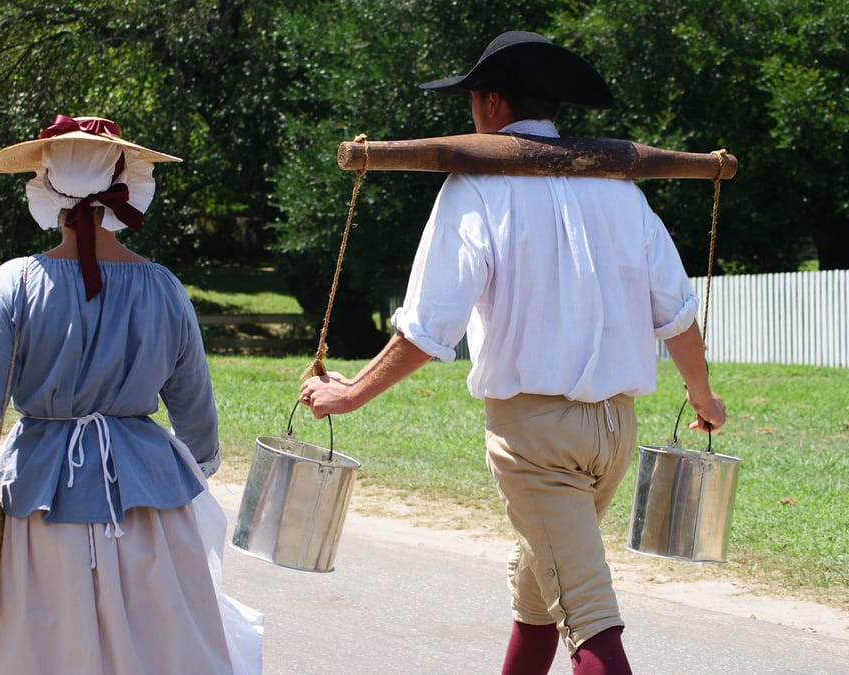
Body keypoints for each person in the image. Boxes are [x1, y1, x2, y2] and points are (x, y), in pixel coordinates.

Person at [300, 31, 726, 675]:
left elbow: (428, 326)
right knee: (537, 596)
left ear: (493, 104)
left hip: (535, 441)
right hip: (614, 433)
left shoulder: (475, 187)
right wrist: (702, 396)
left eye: (473, 98)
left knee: (588, 617)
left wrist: (350, 392)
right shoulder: (620, 189)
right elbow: (675, 313)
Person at [0, 115, 263, 674]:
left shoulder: (17, 281)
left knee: (49, 649)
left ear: (45, 188)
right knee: (158, 646)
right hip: (146, 499)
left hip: (42, 497)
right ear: (127, 191)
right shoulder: (164, 287)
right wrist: (197, 471)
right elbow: (195, 410)